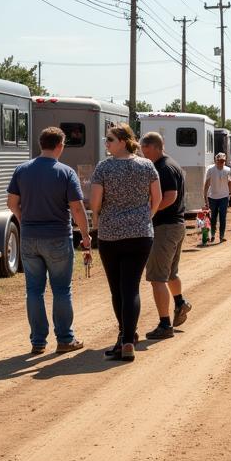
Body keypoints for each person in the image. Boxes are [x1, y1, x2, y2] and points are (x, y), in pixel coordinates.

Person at [7, 126, 91, 355]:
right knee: (61, 290)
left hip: (30, 238)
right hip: (57, 237)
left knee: (34, 290)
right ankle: (65, 338)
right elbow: (76, 207)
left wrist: (25, 220)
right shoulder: (65, 172)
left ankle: (38, 341)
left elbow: (12, 203)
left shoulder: (22, 170)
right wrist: (85, 234)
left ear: (41, 144)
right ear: (60, 145)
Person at [90, 123, 161, 361]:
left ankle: (124, 336)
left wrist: (98, 220)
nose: (106, 143)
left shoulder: (104, 168)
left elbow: (95, 202)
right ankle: (128, 340)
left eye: (109, 139)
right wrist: (144, 218)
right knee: (131, 287)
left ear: (122, 141)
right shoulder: (147, 165)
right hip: (141, 234)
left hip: (111, 235)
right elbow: (157, 198)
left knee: (117, 289)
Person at [140, 131, 192, 340]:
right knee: (170, 273)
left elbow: (170, 196)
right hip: (176, 225)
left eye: (144, 149)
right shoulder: (172, 164)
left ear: (152, 147)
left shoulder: (162, 167)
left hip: (165, 227)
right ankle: (180, 303)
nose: (142, 153)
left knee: (157, 277)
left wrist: (150, 212)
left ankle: (164, 325)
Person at [203, 153, 231, 244]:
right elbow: (207, 184)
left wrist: (230, 194)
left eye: (223, 161)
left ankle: (221, 236)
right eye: (220, 160)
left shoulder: (228, 170)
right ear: (216, 160)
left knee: (223, 217)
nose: (222, 162)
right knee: (213, 217)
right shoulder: (211, 170)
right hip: (212, 197)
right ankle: (212, 234)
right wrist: (205, 196)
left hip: (224, 196)